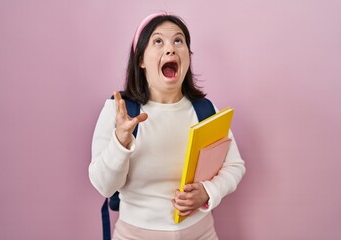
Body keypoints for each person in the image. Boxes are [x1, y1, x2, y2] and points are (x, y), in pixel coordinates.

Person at [88, 12, 246, 240]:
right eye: (158, 41)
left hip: (201, 234)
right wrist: (120, 141)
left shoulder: (205, 111)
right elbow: (104, 186)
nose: (171, 48)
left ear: (188, 56)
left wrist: (208, 192)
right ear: (141, 60)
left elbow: (235, 165)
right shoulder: (119, 110)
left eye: (178, 41)